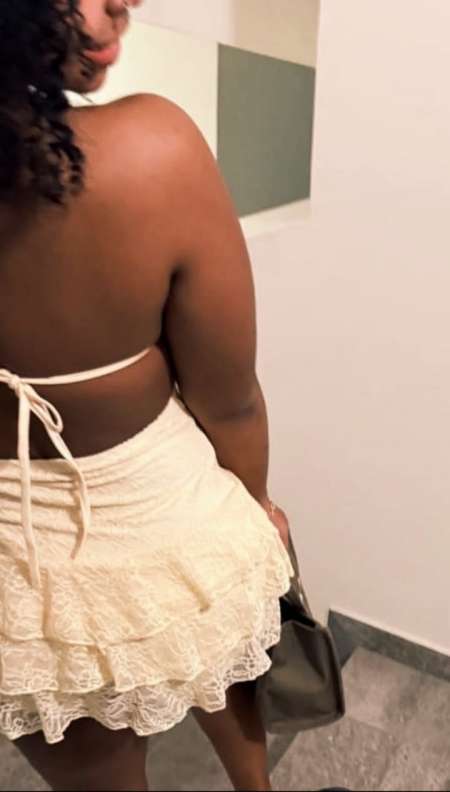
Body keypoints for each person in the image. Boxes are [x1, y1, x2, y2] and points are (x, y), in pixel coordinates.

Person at [0, 1, 301, 790]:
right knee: (230, 676)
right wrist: (257, 508)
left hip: (17, 586)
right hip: (166, 516)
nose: (122, 3)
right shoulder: (154, 148)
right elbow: (228, 399)